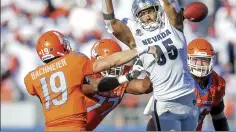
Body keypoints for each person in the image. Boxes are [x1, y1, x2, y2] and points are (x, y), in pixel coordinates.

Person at [94, 0, 199, 131]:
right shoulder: (136, 35)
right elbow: (111, 23)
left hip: (189, 95)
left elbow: (169, 1)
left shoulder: (172, 24)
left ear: (156, 10)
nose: (147, 16)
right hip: (165, 101)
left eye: (149, 11)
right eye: (142, 14)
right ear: (137, 17)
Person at [24, 30, 157, 131]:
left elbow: (144, 87)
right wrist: (139, 53)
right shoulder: (74, 64)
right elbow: (96, 85)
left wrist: (153, 64)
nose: (114, 67)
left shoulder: (31, 77)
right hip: (75, 126)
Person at [145, 38, 229, 131]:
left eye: (204, 60)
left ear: (211, 61)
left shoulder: (216, 84)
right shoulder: (177, 79)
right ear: (187, 59)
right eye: (195, 60)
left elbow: (219, 118)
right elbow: (155, 120)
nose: (199, 64)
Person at [84, 39, 153, 131]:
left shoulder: (122, 75)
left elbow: (144, 87)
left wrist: (153, 66)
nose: (114, 65)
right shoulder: (85, 74)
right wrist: (127, 77)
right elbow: (96, 86)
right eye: (110, 60)